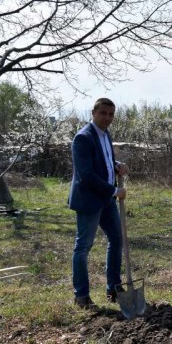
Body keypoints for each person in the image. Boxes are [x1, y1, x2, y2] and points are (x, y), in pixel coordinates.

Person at [68, 98, 128, 309]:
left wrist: (116, 164)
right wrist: (114, 190)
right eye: (103, 113)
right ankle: (81, 295)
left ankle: (113, 287)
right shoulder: (83, 138)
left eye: (111, 114)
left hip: (106, 200)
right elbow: (86, 174)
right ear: (93, 113)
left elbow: (102, 161)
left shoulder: (105, 135)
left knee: (116, 239)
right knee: (83, 246)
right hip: (89, 200)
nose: (107, 118)